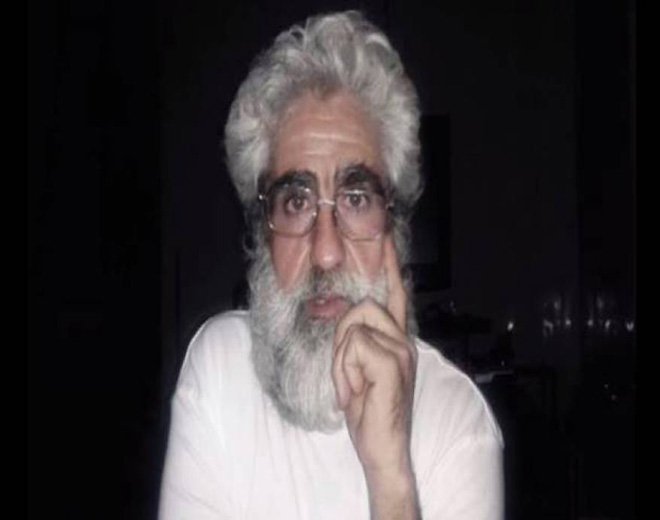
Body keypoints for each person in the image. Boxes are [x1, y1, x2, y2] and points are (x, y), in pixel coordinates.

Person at [159, 11, 503, 520]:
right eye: (296, 202)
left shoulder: (458, 425)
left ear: (394, 226)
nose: (325, 251)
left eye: (356, 199)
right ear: (264, 231)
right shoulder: (221, 369)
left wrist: (390, 476)